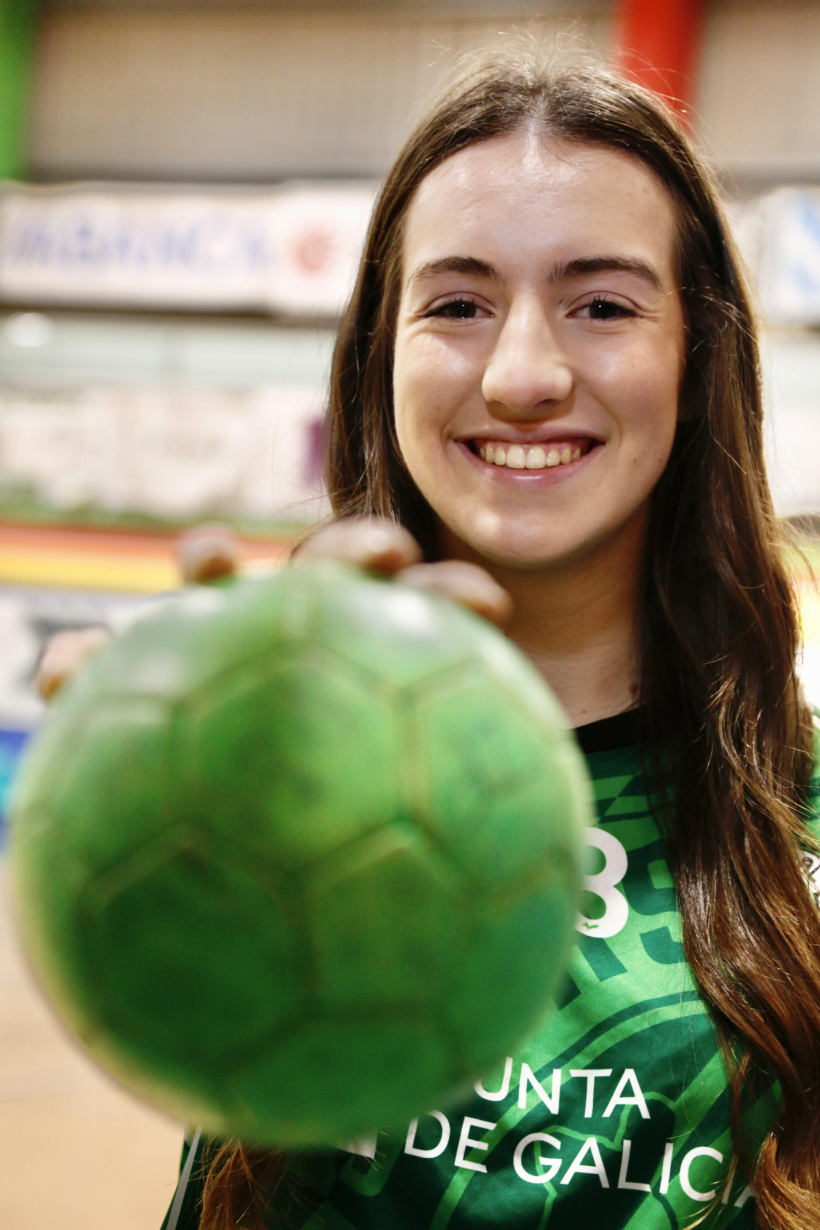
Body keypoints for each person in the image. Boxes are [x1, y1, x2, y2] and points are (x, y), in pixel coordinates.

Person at [45, 44, 820, 1230]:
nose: (520, 374)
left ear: (697, 352)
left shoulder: (798, 828)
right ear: (380, 355)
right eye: (456, 305)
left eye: (601, 305)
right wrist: (143, 842)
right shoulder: (270, 750)